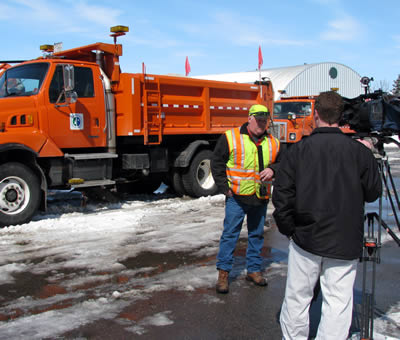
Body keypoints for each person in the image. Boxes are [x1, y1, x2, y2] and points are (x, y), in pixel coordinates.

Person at [272, 91, 382, 340]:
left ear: (315, 114)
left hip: (306, 239)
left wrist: (290, 229)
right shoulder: (358, 152)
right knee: (338, 301)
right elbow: (373, 192)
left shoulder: (298, 151)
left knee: (297, 298)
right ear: (340, 116)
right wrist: (368, 157)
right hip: (344, 240)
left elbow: (282, 196)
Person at [211, 104, 281, 294]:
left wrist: (274, 169)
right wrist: (224, 188)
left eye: (264, 120)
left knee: (257, 235)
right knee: (230, 235)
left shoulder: (273, 142)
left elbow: (283, 162)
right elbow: (216, 162)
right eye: (258, 120)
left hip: (260, 196)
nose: (261, 124)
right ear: (249, 118)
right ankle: (223, 274)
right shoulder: (231, 137)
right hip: (237, 197)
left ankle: (254, 270)